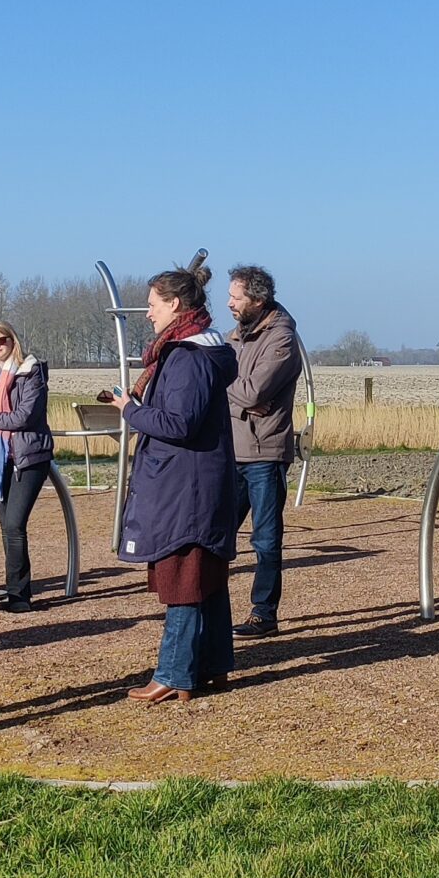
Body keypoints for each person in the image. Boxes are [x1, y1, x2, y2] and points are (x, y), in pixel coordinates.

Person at [108, 262, 238, 703]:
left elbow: (179, 422)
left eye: (152, 305)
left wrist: (130, 409)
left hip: (187, 486)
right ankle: (214, 665)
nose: (148, 313)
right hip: (194, 480)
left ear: (175, 304)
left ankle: (174, 674)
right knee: (207, 576)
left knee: (184, 575)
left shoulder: (187, 356)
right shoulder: (192, 353)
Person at [224, 265, 303, 637]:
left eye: (235, 298)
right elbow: (216, 380)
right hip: (229, 450)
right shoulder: (236, 335)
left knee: (266, 539)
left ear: (258, 299)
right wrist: (235, 394)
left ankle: (264, 613)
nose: (229, 304)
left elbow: (255, 392)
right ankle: (211, 607)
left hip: (265, 453)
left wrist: (230, 391)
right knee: (216, 534)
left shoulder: (282, 339)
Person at [0, 319, 53, 612]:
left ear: (12, 340)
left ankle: (19, 597)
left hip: (28, 458)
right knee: (7, 528)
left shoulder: (31, 373)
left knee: (15, 525)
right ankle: (16, 591)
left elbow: (22, 418)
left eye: (0, 341)